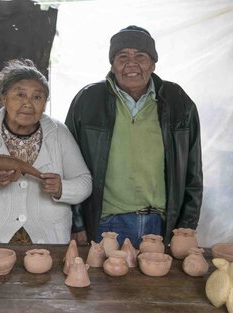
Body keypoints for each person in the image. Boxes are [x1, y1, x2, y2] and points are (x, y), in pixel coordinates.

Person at [65, 26, 202, 247]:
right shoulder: (88, 100)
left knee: (158, 281)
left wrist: (186, 226)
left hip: (161, 224)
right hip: (103, 224)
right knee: (101, 281)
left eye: (140, 56)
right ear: (112, 64)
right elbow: (67, 165)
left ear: (153, 64)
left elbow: (193, 172)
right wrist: (77, 224)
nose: (131, 63)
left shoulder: (178, 101)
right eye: (122, 56)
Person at [0, 59, 92, 244]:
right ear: (4, 98)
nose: (28, 104)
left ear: (45, 102)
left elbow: (84, 182)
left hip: (48, 241)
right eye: (20, 95)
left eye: (37, 97)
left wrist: (61, 189)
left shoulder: (58, 132)